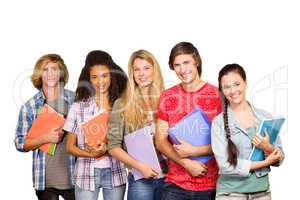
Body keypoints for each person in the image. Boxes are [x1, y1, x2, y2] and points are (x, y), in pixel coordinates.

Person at [155, 42, 222, 200]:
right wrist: (186, 163)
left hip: (210, 185)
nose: (182, 70)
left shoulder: (217, 95)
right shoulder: (167, 96)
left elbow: (227, 142)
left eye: (186, 62)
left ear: (196, 61)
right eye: (177, 65)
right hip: (174, 186)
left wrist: (194, 151)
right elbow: (160, 141)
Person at [211, 63, 284, 200]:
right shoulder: (218, 123)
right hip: (230, 194)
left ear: (245, 83)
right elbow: (225, 166)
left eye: (237, 84)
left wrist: (267, 147)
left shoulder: (265, 117)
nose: (233, 91)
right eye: (227, 87)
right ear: (222, 91)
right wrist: (264, 163)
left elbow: (279, 159)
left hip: (262, 192)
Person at [63, 50, 128, 200]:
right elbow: (70, 146)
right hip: (85, 173)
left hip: (115, 172)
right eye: (94, 77)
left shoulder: (121, 105)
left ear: (111, 75)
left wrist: (108, 148)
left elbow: (129, 141)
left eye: (105, 76)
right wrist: (90, 154)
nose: (100, 81)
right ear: (88, 79)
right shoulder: (78, 107)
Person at [15, 54, 75, 200]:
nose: (50, 74)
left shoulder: (75, 100)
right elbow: (20, 143)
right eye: (45, 69)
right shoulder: (29, 107)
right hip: (45, 181)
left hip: (74, 178)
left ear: (61, 72)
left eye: (54, 69)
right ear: (39, 74)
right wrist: (45, 138)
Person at [107, 49, 166, 200]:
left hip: (170, 178)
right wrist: (140, 167)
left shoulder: (168, 99)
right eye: (137, 69)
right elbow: (113, 147)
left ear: (155, 70)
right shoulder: (122, 104)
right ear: (132, 73)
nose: (141, 74)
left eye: (146, 68)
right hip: (141, 180)